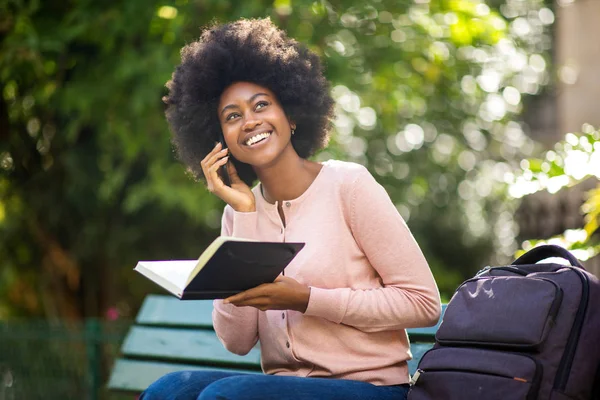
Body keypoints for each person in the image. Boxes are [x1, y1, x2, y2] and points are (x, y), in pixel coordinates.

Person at [141, 17, 441, 400]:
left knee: (228, 396)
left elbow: (423, 303)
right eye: (232, 116)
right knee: (169, 391)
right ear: (221, 141)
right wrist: (245, 217)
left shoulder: (348, 185)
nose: (249, 121)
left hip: (371, 388)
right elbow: (236, 341)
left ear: (292, 115)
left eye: (261, 105)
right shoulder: (239, 212)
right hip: (284, 385)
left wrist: (307, 299)